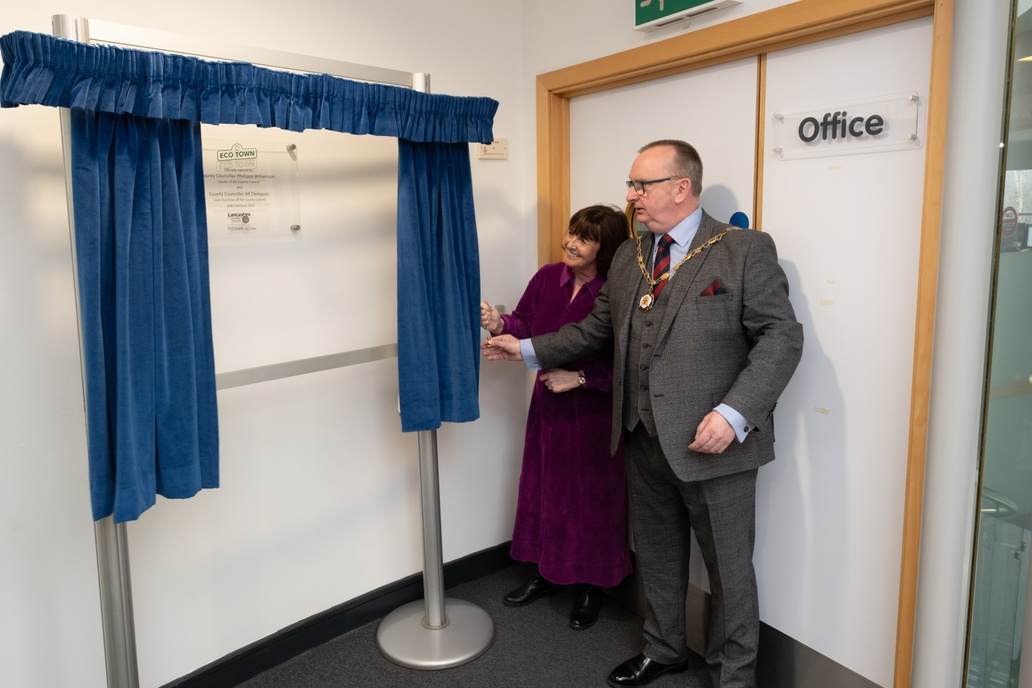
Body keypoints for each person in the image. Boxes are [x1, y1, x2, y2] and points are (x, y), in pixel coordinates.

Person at [483, 140, 803, 688]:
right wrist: (526, 349)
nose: (630, 196)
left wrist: (734, 413)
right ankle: (664, 648)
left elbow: (781, 336)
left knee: (728, 570)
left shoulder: (742, 249)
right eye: (630, 186)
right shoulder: (632, 259)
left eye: (641, 185)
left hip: (715, 442)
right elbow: (591, 333)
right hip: (639, 435)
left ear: (681, 188)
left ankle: (735, 677)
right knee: (657, 554)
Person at [481, 204, 632, 631]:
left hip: (595, 412)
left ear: (606, 250)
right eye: (571, 232)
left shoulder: (613, 291)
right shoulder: (549, 276)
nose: (570, 242)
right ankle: (547, 572)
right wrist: (498, 323)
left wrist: (582, 377)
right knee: (547, 492)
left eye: (584, 239)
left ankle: (592, 587)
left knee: (593, 503)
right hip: (548, 406)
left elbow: (627, 361)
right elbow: (526, 323)